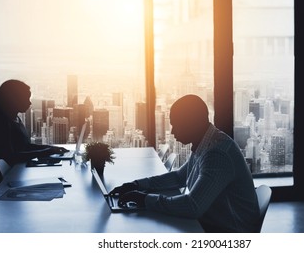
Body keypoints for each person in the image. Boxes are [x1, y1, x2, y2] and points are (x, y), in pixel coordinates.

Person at [110, 94, 260, 232]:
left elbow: (192, 206)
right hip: (215, 223)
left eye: (177, 125)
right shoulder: (206, 142)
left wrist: (144, 199)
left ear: (193, 123)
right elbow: (179, 177)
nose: (173, 132)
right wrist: (138, 185)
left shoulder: (217, 154)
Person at [0, 79, 68, 183]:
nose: (29, 102)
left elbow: (25, 146)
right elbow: (11, 157)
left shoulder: (14, 118)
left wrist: (50, 148)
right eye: (26, 98)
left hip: (15, 173)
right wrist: (46, 151)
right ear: (15, 99)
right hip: (5, 180)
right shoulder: (2, 123)